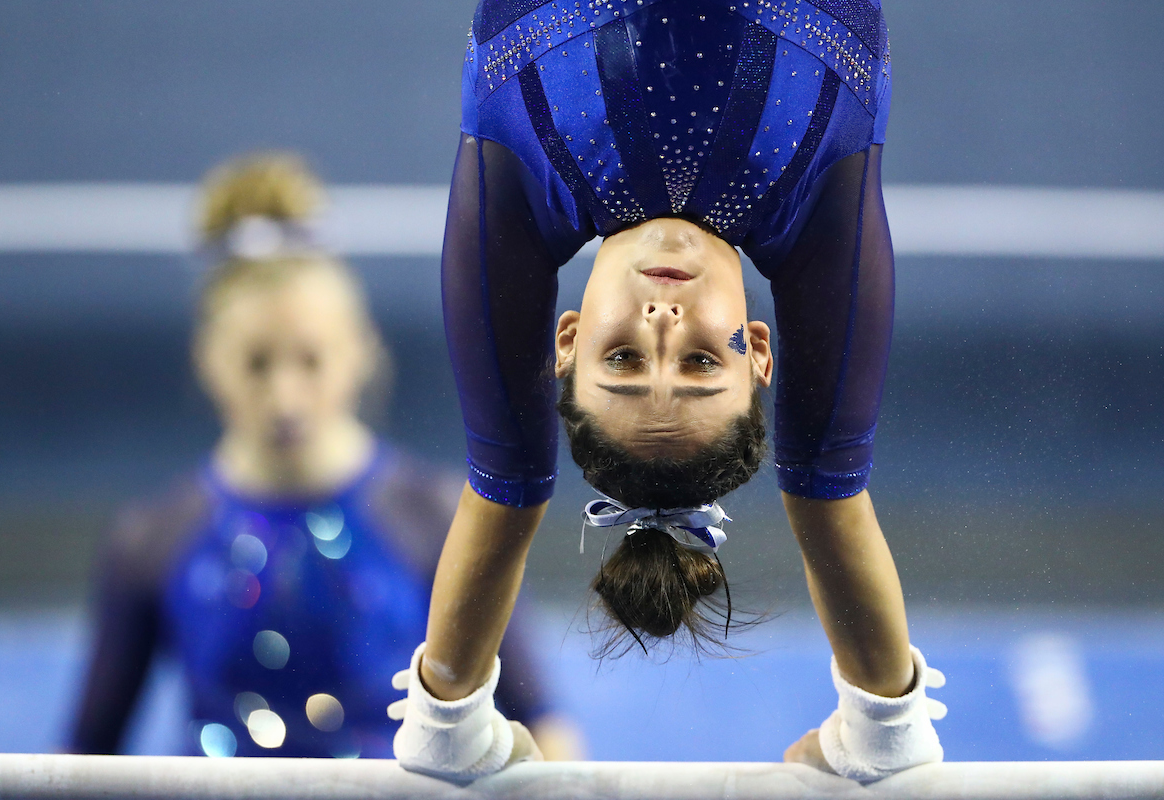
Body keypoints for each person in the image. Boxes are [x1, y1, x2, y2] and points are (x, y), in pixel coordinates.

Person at [390, 0, 946, 784]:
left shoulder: (519, 177)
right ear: (758, 351)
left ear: (568, 340)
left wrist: (450, 726)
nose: (660, 322)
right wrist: (880, 728)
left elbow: (506, 487)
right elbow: (828, 489)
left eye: (621, 359)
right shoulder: (817, 200)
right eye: (696, 364)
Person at [69, 154, 581, 760]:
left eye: (310, 361)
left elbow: (545, 727)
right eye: (257, 364)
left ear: (358, 354)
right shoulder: (150, 539)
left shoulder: (441, 518)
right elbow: (83, 759)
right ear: (209, 361)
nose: (285, 398)